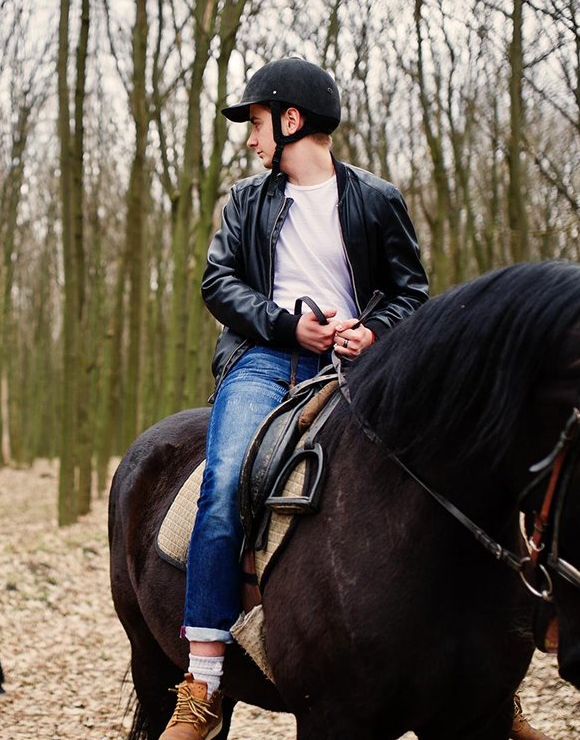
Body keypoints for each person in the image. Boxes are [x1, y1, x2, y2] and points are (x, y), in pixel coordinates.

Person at [162, 57, 432, 740]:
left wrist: (373, 332)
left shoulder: (378, 199)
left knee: (441, 471)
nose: (251, 138)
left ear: (291, 120)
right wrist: (289, 326)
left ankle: (489, 682)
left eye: (256, 122)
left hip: (360, 366)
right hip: (263, 360)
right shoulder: (245, 200)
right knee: (225, 481)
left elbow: (411, 292)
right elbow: (218, 283)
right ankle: (203, 683)